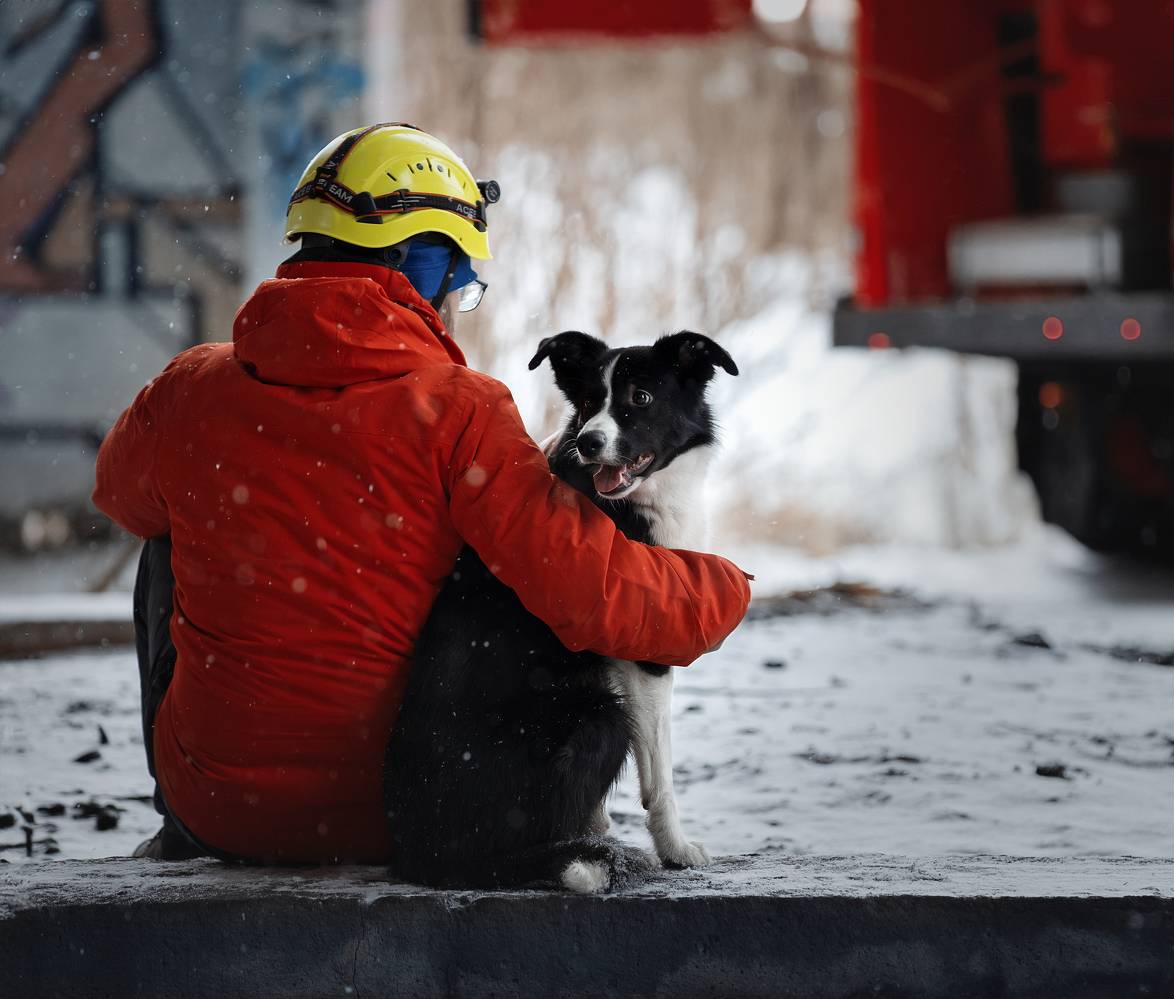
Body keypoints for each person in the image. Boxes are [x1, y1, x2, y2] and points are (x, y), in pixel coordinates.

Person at [93, 123, 752, 864]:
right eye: (455, 280)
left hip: (218, 810)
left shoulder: (191, 388)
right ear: (418, 263)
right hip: (396, 809)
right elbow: (592, 587)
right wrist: (722, 588)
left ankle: (181, 817)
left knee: (165, 532)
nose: (449, 302)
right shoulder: (459, 409)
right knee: (491, 558)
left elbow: (118, 495)